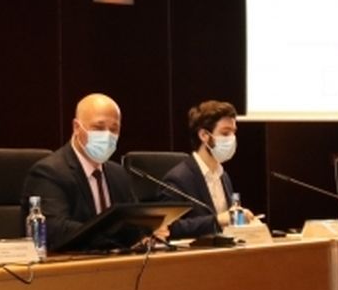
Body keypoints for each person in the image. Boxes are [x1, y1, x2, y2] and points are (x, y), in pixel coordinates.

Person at [21, 92, 153, 252]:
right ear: (77, 127)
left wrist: (150, 229)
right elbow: (56, 230)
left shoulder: (119, 174)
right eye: (99, 127)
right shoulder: (49, 172)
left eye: (114, 129)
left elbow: (134, 224)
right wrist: (112, 234)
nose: (107, 136)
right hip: (70, 268)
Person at [161, 99, 250, 239]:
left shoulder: (223, 176)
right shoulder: (178, 179)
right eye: (225, 133)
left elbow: (227, 222)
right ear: (204, 135)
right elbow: (169, 227)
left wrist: (241, 220)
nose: (232, 139)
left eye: (233, 133)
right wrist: (218, 220)